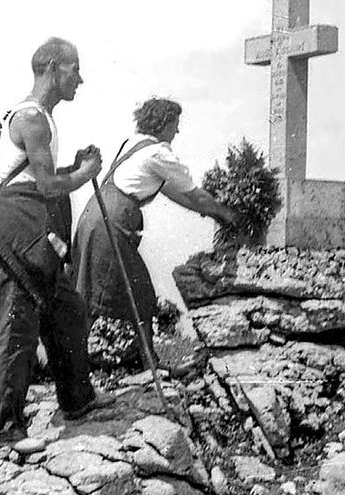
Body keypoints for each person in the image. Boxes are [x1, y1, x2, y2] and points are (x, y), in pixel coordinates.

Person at [0, 37, 115, 455]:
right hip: (18, 226)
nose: (80, 78)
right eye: (74, 68)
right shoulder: (33, 119)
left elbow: (40, 176)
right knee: (14, 323)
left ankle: (77, 400)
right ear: (53, 68)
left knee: (67, 310)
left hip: (27, 225)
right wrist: (87, 171)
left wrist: (72, 167)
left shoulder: (39, 119)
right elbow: (45, 185)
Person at [74, 97, 236, 366]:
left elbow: (173, 192)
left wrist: (207, 211)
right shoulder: (159, 153)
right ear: (163, 124)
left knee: (89, 291)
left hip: (95, 215)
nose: (177, 131)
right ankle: (147, 361)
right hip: (111, 222)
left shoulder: (135, 143)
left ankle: (79, 365)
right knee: (140, 292)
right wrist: (226, 213)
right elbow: (194, 195)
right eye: (175, 124)